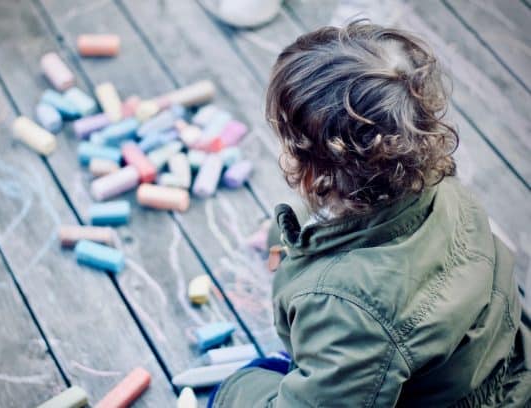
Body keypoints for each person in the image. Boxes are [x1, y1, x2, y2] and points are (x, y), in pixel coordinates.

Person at [209, 21, 531, 407]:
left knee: (247, 380)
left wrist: (234, 391)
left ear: (311, 168)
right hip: (495, 372)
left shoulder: (347, 313)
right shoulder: (438, 187)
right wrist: (287, 234)